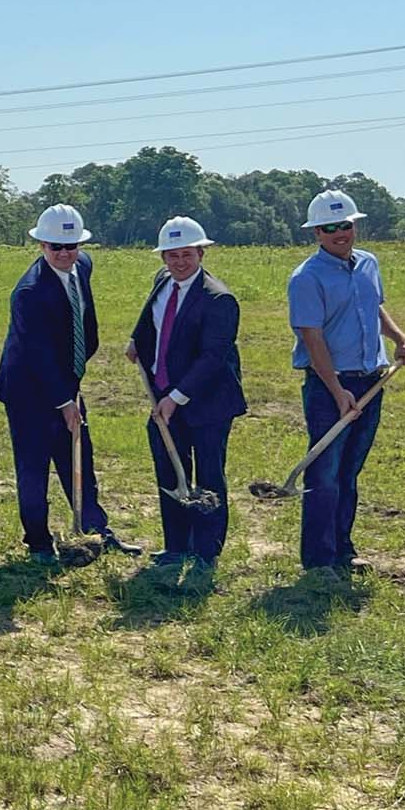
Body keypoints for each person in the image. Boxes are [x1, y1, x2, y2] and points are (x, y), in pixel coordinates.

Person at [286, 190, 405, 575]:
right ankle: (318, 560)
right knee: (324, 474)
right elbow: (313, 340)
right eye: (330, 227)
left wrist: (401, 339)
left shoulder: (368, 264)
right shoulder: (306, 278)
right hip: (330, 388)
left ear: (354, 226)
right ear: (317, 233)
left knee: (349, 472)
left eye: (345, 225)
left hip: (371, 382)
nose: (339, 233)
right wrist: (336, 391)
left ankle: (343, 549)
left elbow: (374, 307)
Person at [0, 203, 127, 563]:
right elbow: (38, 355)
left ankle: (95, 529)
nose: (65, 254)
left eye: (71, 246)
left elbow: (81, 326)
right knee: (34, 465)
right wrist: (65, 402)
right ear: (41, 246)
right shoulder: (29, 293)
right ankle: (38, 541)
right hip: (27, 388)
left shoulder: (82, 266)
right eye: (56, 247)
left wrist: (75, 381)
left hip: (65, 378)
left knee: (79, 454)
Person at [126, 216, 245, 569]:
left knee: (208, 474)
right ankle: (176, 546)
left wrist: (176, 398)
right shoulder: (163, 281)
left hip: (208, 402)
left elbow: (212, 358)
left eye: (187, 255)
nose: (179, 262)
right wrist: (136, 339)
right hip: (163, 394)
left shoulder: (219, 299)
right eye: (172, 255)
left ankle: (207, 551)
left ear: (201, 253)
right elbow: (151, 316)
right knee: (170, 471)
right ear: (163, 257)